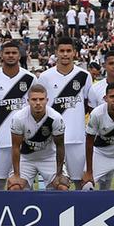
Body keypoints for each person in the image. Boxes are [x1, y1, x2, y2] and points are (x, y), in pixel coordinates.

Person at [0, 40, 36, 190]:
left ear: (20, 56)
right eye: (7, 53)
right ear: (1, 56)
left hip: (26, 140)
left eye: (14, 53)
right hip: (1, 139)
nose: (10, 55)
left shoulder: (30, 78)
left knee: (25, 184)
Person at [38, 36, 91, 185]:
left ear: (74, 52)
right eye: (62, 51)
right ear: (56, 53)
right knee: (54, 183)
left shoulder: (84, 76)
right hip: (53, 140)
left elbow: (87, 104)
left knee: (80, 183)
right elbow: (40, 105)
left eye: (69, 51)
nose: (65, 54)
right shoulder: (45, 77)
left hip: (77, 139)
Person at [8, 84, 69, 190]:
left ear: (47, 100)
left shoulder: (55, 118)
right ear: (28, 101)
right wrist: (17, 175)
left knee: (62, 187)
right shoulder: (19, 118)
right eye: (34, 99)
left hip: (49, 158)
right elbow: (15, 147)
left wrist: (59, 174)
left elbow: (60, 146)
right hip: (26, 159)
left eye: (41, 99)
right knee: (15, 188)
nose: (38, 103)